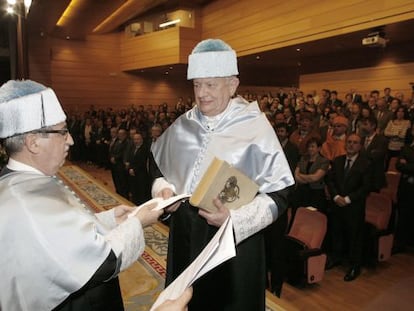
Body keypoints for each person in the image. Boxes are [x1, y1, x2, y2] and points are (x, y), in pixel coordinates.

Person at [0, 80, 191, 311]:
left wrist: (110, 219)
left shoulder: (27, 183)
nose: (70, 139)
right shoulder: (26, 200)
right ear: (33, 143)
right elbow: (101, 262)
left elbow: (63, 236)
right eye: (62, 132)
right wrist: (137, 222)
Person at [150, 39, 294, 311]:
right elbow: (160, 166)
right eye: (196, 85)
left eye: (210, 84)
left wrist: (234, 220)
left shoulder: (255, 126)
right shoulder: (184, 123)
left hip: (232, 243)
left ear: (232, 85)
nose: (202, 93)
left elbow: (279, 193)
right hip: (185, 235)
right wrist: (163, 190)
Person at [325, 133, 372, 282]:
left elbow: (366, 187)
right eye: (349, 142)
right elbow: (330, 181)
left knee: (354, 237)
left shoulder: (366, 164)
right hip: (337, 204)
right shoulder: (338, 160)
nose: (351, 145)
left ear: (360, 146)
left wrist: (348, 199)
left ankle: (354, 266)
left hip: (354, 207)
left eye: (355, 143)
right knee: (336, 232)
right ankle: (337, 257)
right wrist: (336, 197)